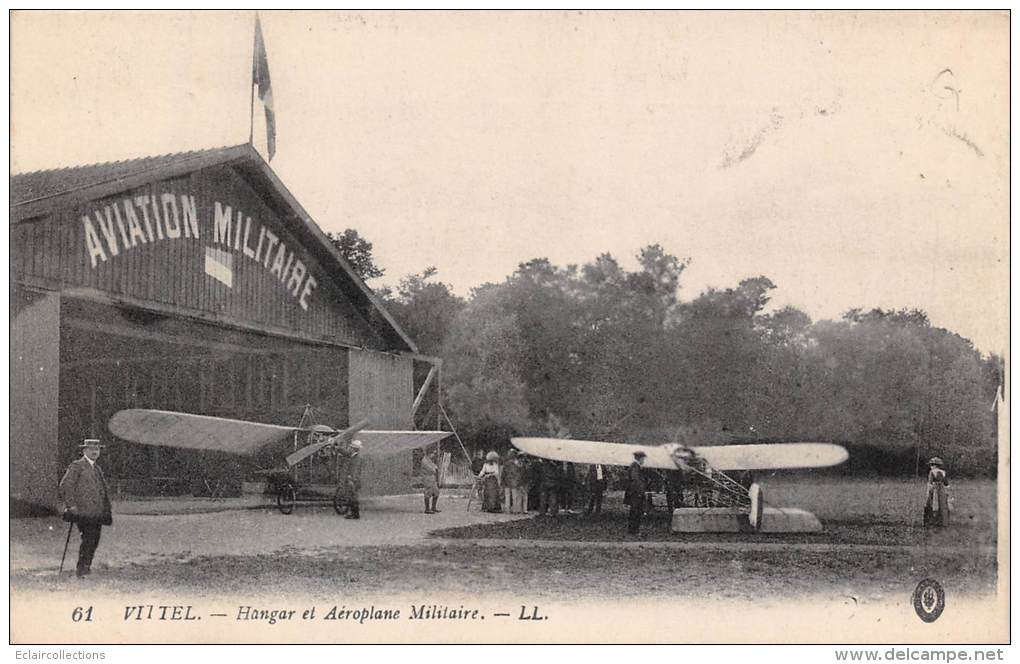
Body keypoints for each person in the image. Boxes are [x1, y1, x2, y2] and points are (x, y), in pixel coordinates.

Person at [58, 439, 113, 577]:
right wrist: (71, 505)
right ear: (84, 451)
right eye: (91, 449)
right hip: (83, 512)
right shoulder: (77, 466)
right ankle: (82, 569)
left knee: (94, 540)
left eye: (97, 449)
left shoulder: (97, 468)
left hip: (97, 513)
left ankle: (86, 567)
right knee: (88, 539)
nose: (95, 452)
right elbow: (65, 486)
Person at [924, 457, 950, 528]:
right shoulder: (943, 472)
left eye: (931, 465)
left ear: (934, 465)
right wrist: (947, 491)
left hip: (934, 489)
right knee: (943, 505)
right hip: (942, 489)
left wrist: (929, 491)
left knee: (931, 504)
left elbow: (930, 482)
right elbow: (946, 483)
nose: (931, 466)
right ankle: (943, 522)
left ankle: (931, 521)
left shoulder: (932, 472)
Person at [626, 451, 648, 535]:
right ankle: (634, 531)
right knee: (636, 512)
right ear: (640, 458)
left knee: (635, 512)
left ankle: (633, 530)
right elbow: (635, 480)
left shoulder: (635, 466)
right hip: (636, 493)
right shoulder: (635, 467)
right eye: (643, 459)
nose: (644, 460)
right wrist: (640, 492)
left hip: (635, 493)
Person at [501, 450, 526, 514]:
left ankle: (507, 510)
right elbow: (518, 474)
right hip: (514, 483)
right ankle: (515, 510)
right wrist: (517, 481)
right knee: (514, 497)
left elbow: (503, 474)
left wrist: (502, 482)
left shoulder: (506, 464)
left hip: (506, 482)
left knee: (507, 497)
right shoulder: (516, 465)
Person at [344, 440, 364, 520]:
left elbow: (354, 470)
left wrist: (351, 479)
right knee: (353, 496)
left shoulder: (356, 458)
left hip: (353, 480)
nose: (349, 449)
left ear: (353, 449)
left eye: (350, 447)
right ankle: (354, 514)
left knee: (353, 497)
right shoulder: (356, 457)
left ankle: (355, 514)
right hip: (355, 480)